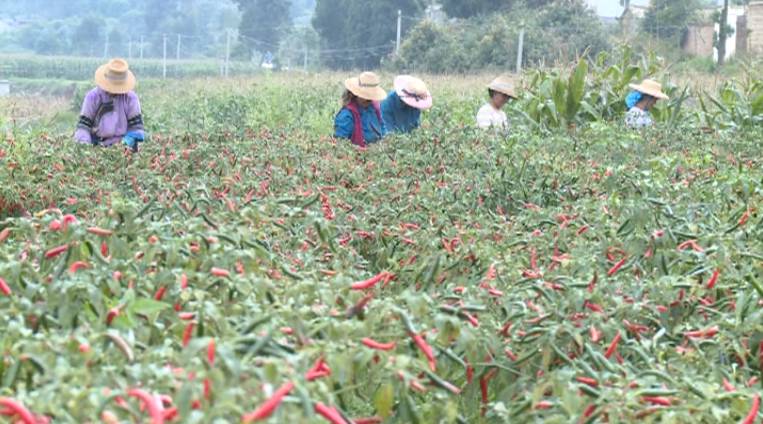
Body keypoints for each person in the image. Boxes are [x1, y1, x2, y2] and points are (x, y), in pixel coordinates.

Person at [75, 58, 145, 151]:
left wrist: (126, 142)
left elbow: (136, 128)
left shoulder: (130, 98)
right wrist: (85, 146)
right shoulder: (92, 97)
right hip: (97, 145)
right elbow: (84, 126)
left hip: (124, 148)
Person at [334, 72, 387, 147]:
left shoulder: (374, 108)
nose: (368, 99)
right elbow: (340, 143)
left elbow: (382, 127)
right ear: (355, 94)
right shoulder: (346, 115)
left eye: (370, 96)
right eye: (366, 96)